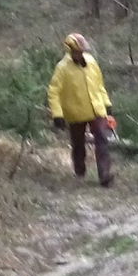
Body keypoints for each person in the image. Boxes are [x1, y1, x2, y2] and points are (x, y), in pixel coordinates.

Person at [47, 33, 116, 187]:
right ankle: (80, 171)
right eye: (77, 51)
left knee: (102, 141)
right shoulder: (62, 68)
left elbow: (99, 86)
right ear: (70, 51)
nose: (80, 54)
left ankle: (104, 175)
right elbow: (53, 92)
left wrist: (107, 104)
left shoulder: (91, 62)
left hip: (96, 110)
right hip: (75, 113)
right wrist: (57, 115)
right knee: (78, 144)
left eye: (81, 51)